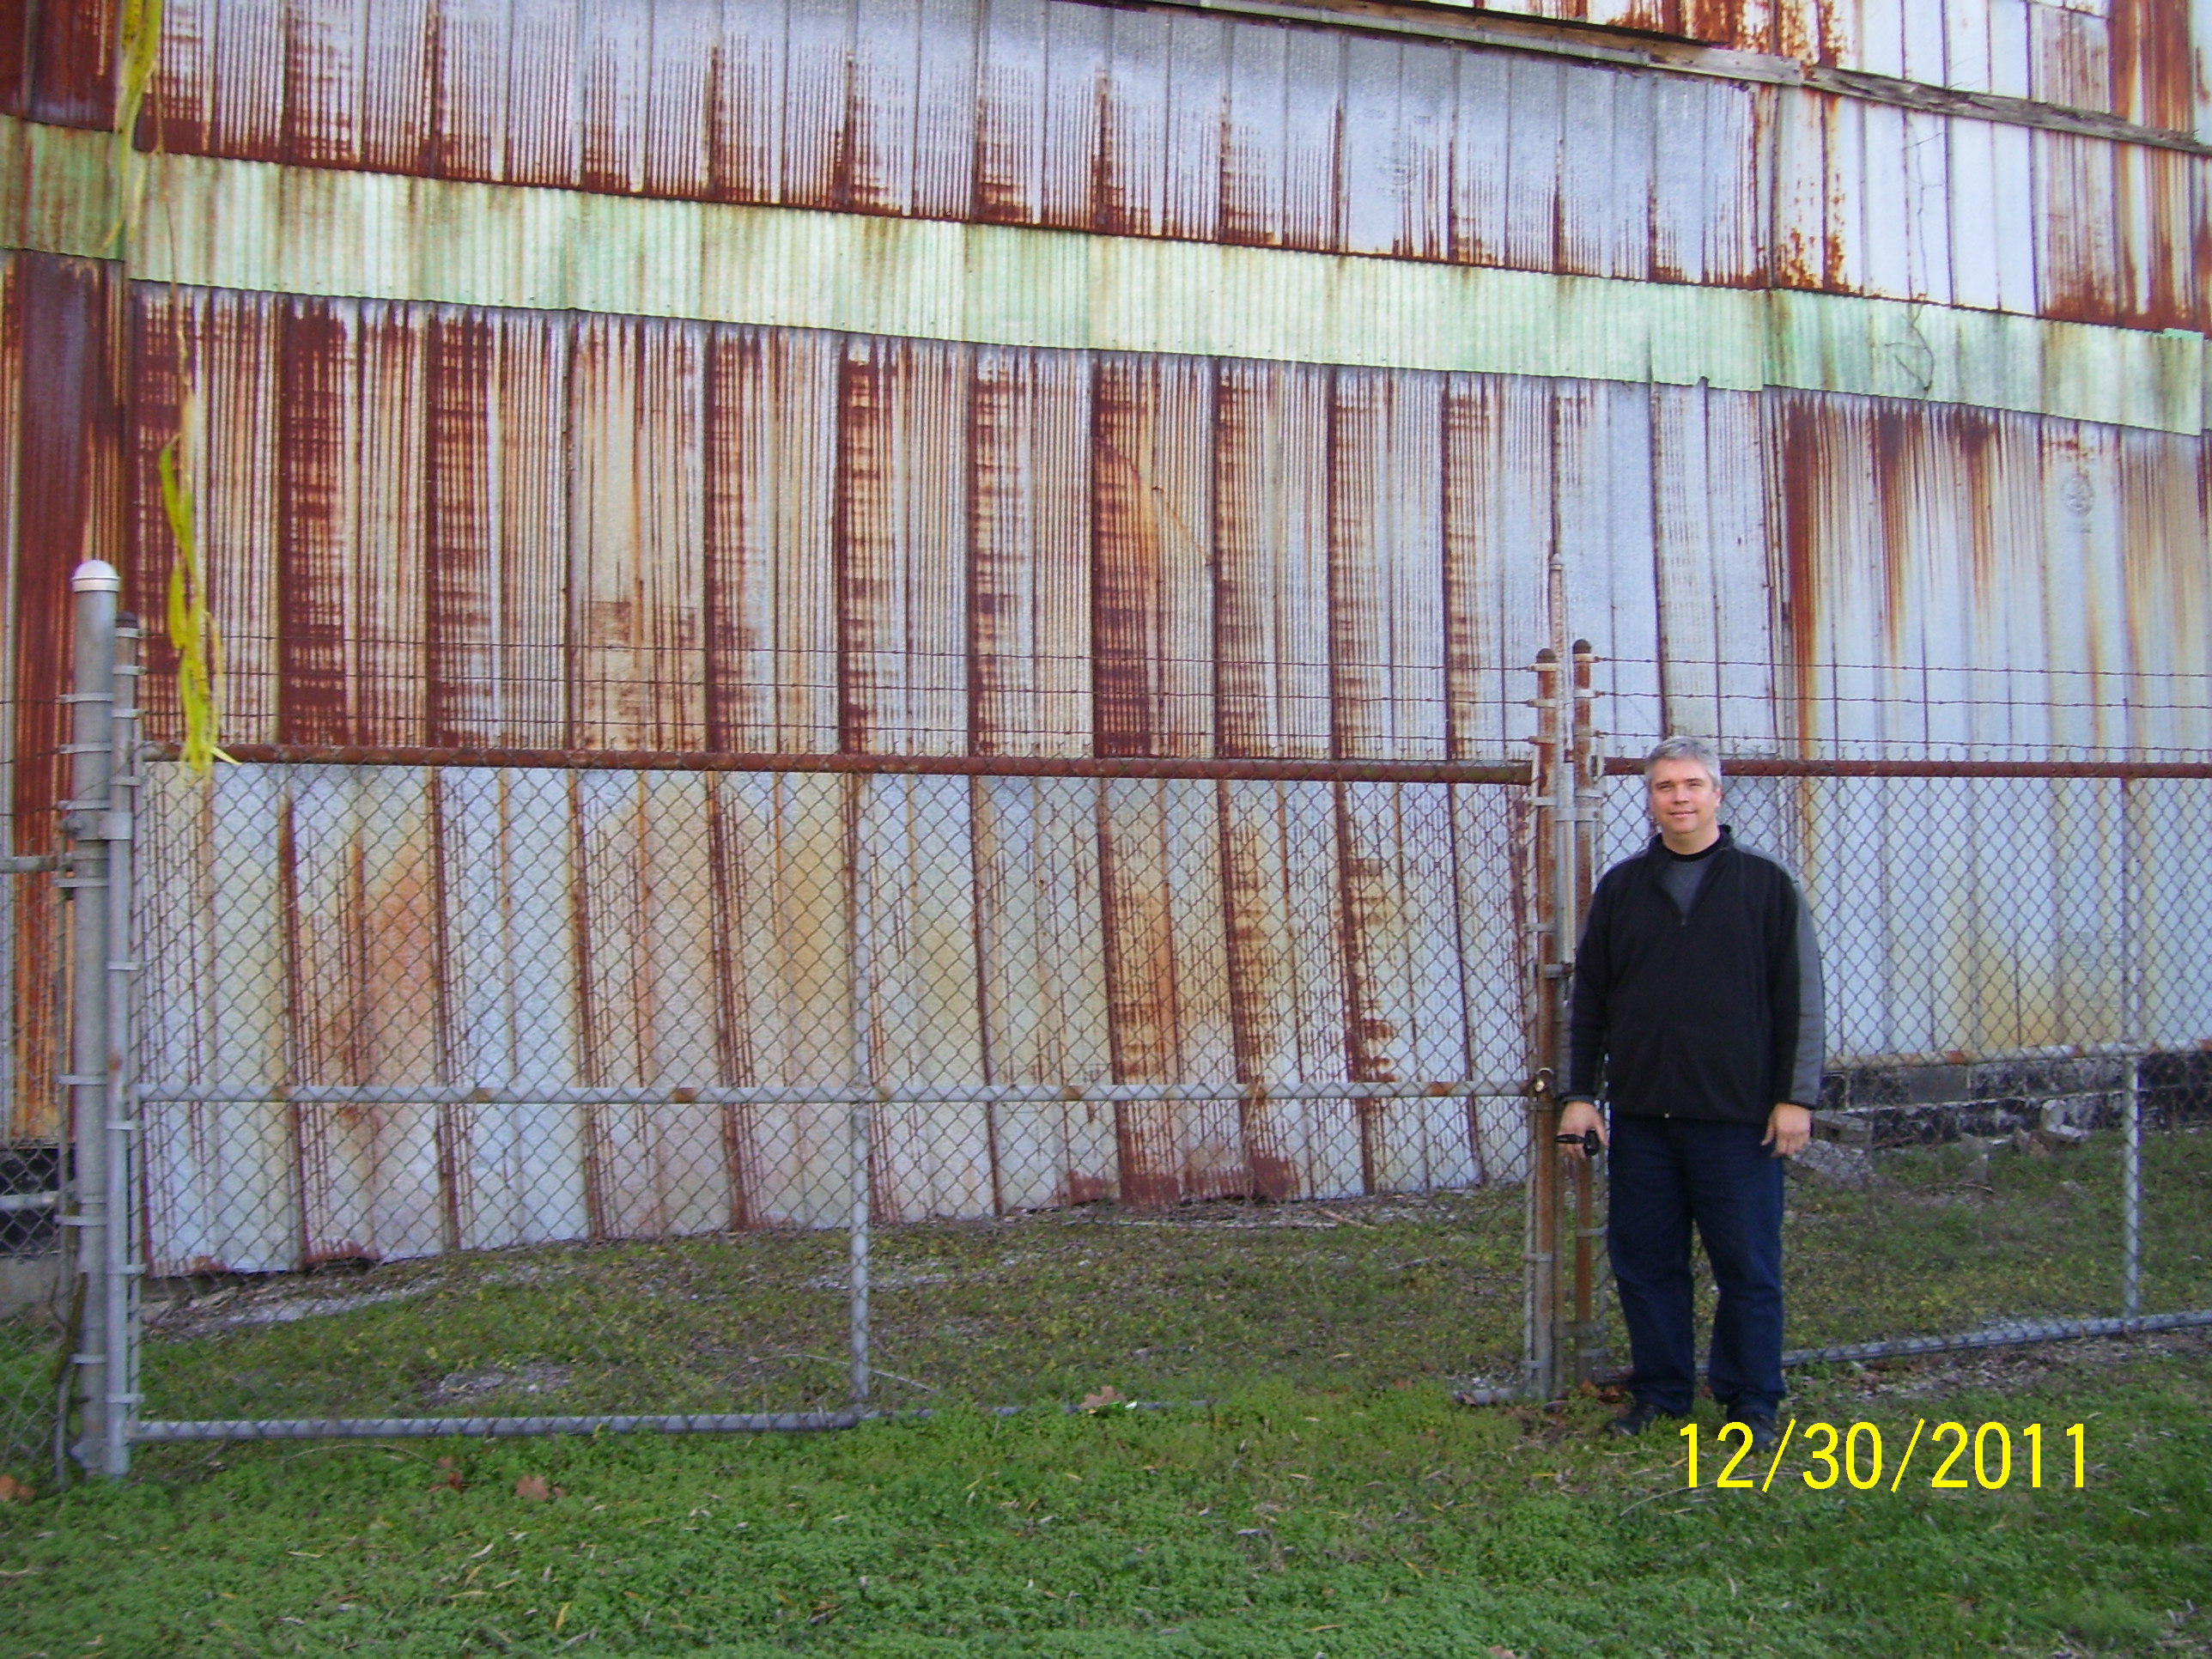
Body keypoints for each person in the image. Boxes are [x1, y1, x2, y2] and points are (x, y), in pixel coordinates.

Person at [1557, 735, 1824, 1449]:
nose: (1679, 797)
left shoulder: (1765, 885)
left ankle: (1751, 1403)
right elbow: (1592, 1004)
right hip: (1644, 1119)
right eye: (1665, 786)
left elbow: (1800, 997)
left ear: (1717, 794)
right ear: (1649, 798)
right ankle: (1662, 1395)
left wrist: (1795, 1097)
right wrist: (1580, 1094)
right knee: (1646, 1263)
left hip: (1738, 1122)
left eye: (1693, 784)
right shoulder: (1622, 888)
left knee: (1748, 1267)